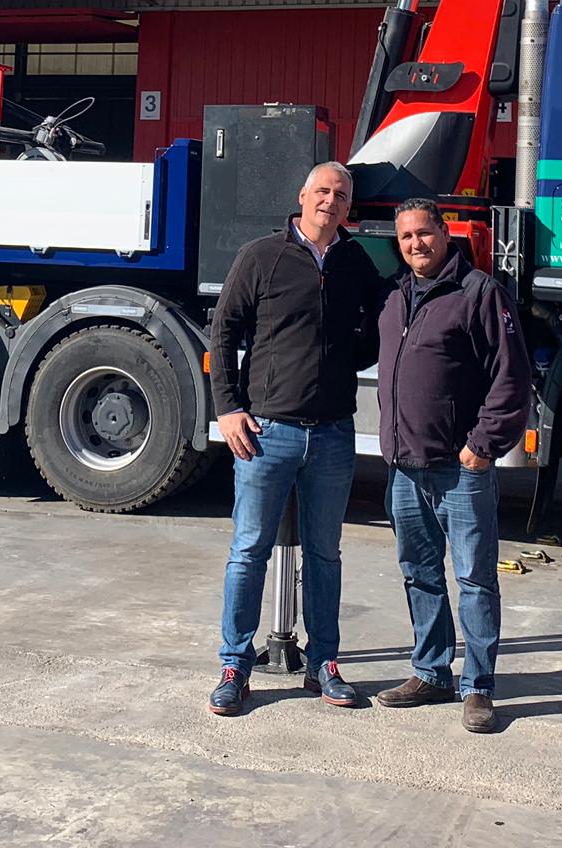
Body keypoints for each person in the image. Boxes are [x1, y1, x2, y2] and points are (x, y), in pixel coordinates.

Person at [206, 161, 387, 716]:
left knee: (325, 555)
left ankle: (323, 663)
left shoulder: (357, 262)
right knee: (248, 552)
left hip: (332, 435)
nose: (330, 201)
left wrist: (339, 368)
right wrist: (229, 409)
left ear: (348, 208)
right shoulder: (261, 256)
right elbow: (224, 330)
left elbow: (374, 331)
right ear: (302, 196)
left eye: (341, 195)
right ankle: (235, 664)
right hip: (266, 434)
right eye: (322, 191)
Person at [372, 197, 531, 734]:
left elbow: (511, 379)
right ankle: (431, 672)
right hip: (404, 466)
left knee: (475, 579)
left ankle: (478, 687)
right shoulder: (395, 297)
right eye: (406, 237)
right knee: (419, 573)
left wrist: (483, 445)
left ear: (445, 232)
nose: (417, 244)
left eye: (425, 233)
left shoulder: (479, 293)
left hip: (459, 470)